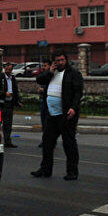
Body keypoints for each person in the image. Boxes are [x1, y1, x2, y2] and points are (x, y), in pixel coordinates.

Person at [31, 51, 84, 180]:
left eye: (62, 60)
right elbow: (39, 80)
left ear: (66, 60)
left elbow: (78, 93)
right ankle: (45, 169)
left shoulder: (73, 74)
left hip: (66, 114)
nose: (60, 62)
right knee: (47, 142)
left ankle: (72, 172)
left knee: (69, 143)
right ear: (54, 62)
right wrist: (49, 72)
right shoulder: (51, 73)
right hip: (52, 114)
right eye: (57, 60)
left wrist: (73, 107)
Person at [0, 62, 21, 147]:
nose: (8, 71)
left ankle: (7, 141)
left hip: (10, 103)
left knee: (8, 124)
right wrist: (4, 93)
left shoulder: (13, 78)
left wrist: (18, 101)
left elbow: (15, 90)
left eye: (10, 69)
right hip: (2, 104)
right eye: (7, 69)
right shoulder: (1, 77)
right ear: (4, 69)